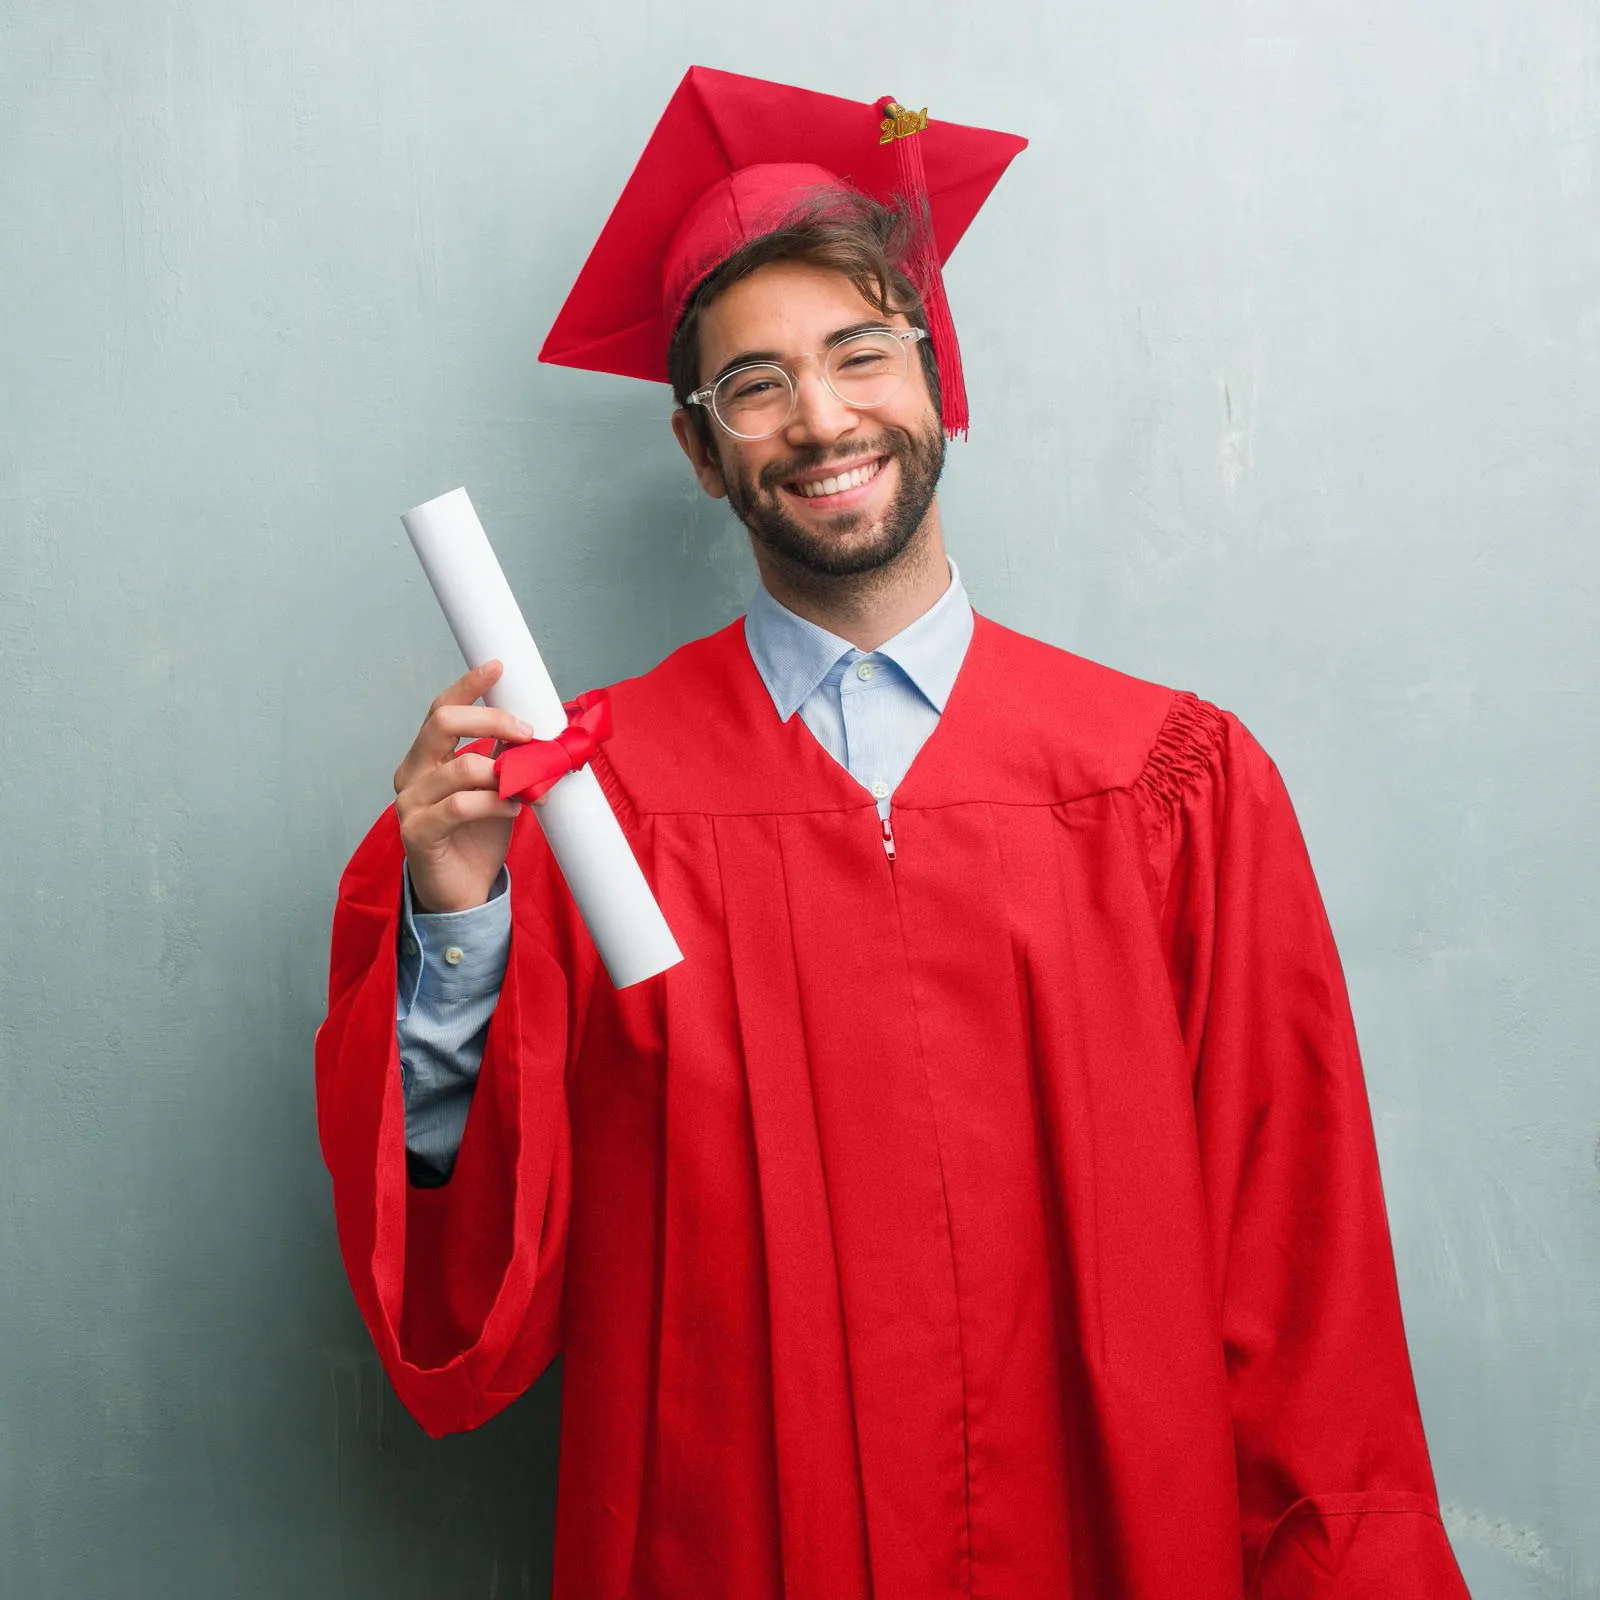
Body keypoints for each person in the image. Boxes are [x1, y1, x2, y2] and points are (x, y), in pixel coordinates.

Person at [317, 65, 1470, 1599]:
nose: (821, 417)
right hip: (724, 1546)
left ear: (936, 378)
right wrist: (459, 921)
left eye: (859, 353)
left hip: (1116, 1545)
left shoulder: (1169, 787)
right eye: (754, 385)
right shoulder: (592, 801)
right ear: (700, 449)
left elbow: (1300, 1268)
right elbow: (478, 1290)